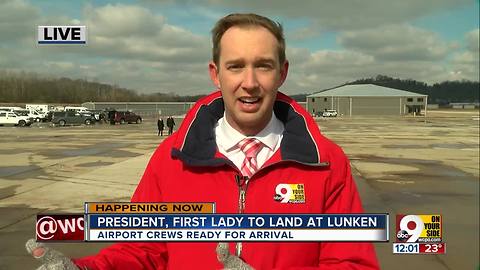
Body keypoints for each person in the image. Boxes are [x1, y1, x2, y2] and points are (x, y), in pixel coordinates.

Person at [27, 13, 379, 269]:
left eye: (264, 66)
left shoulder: (326, 163)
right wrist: (89, 269)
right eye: (236, 66)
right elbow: (142, 252)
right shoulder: (172, 159)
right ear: (216, 73)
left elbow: (351, 263)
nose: (250, 82)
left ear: (282, 72)